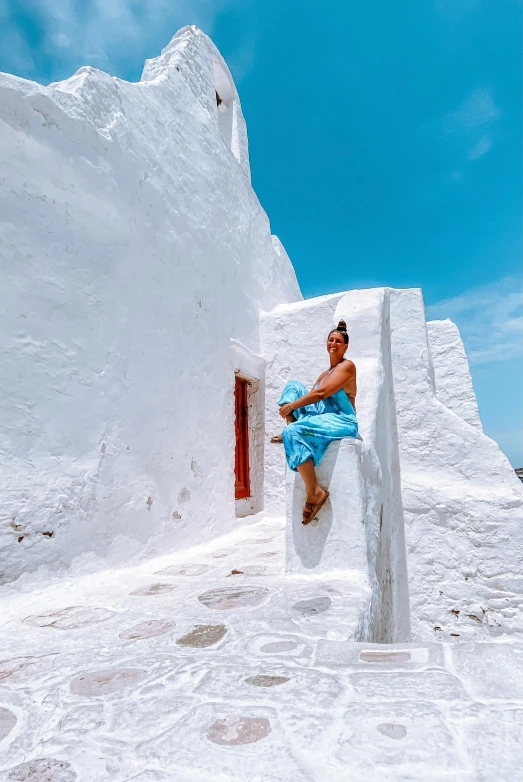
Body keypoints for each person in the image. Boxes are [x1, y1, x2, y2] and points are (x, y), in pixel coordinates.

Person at [271, 320, 358, 525]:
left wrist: (291, 408)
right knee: (293, 386)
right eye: (331, 340)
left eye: (338, 341)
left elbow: (320, 393)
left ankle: (315, 492)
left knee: (293, 428)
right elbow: (310, 395)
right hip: (320, 417)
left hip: (341, 420)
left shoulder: (348, 366)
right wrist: (293, 411)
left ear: (345, 346)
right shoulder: (324, 373)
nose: (333, 343)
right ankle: (291, 430)